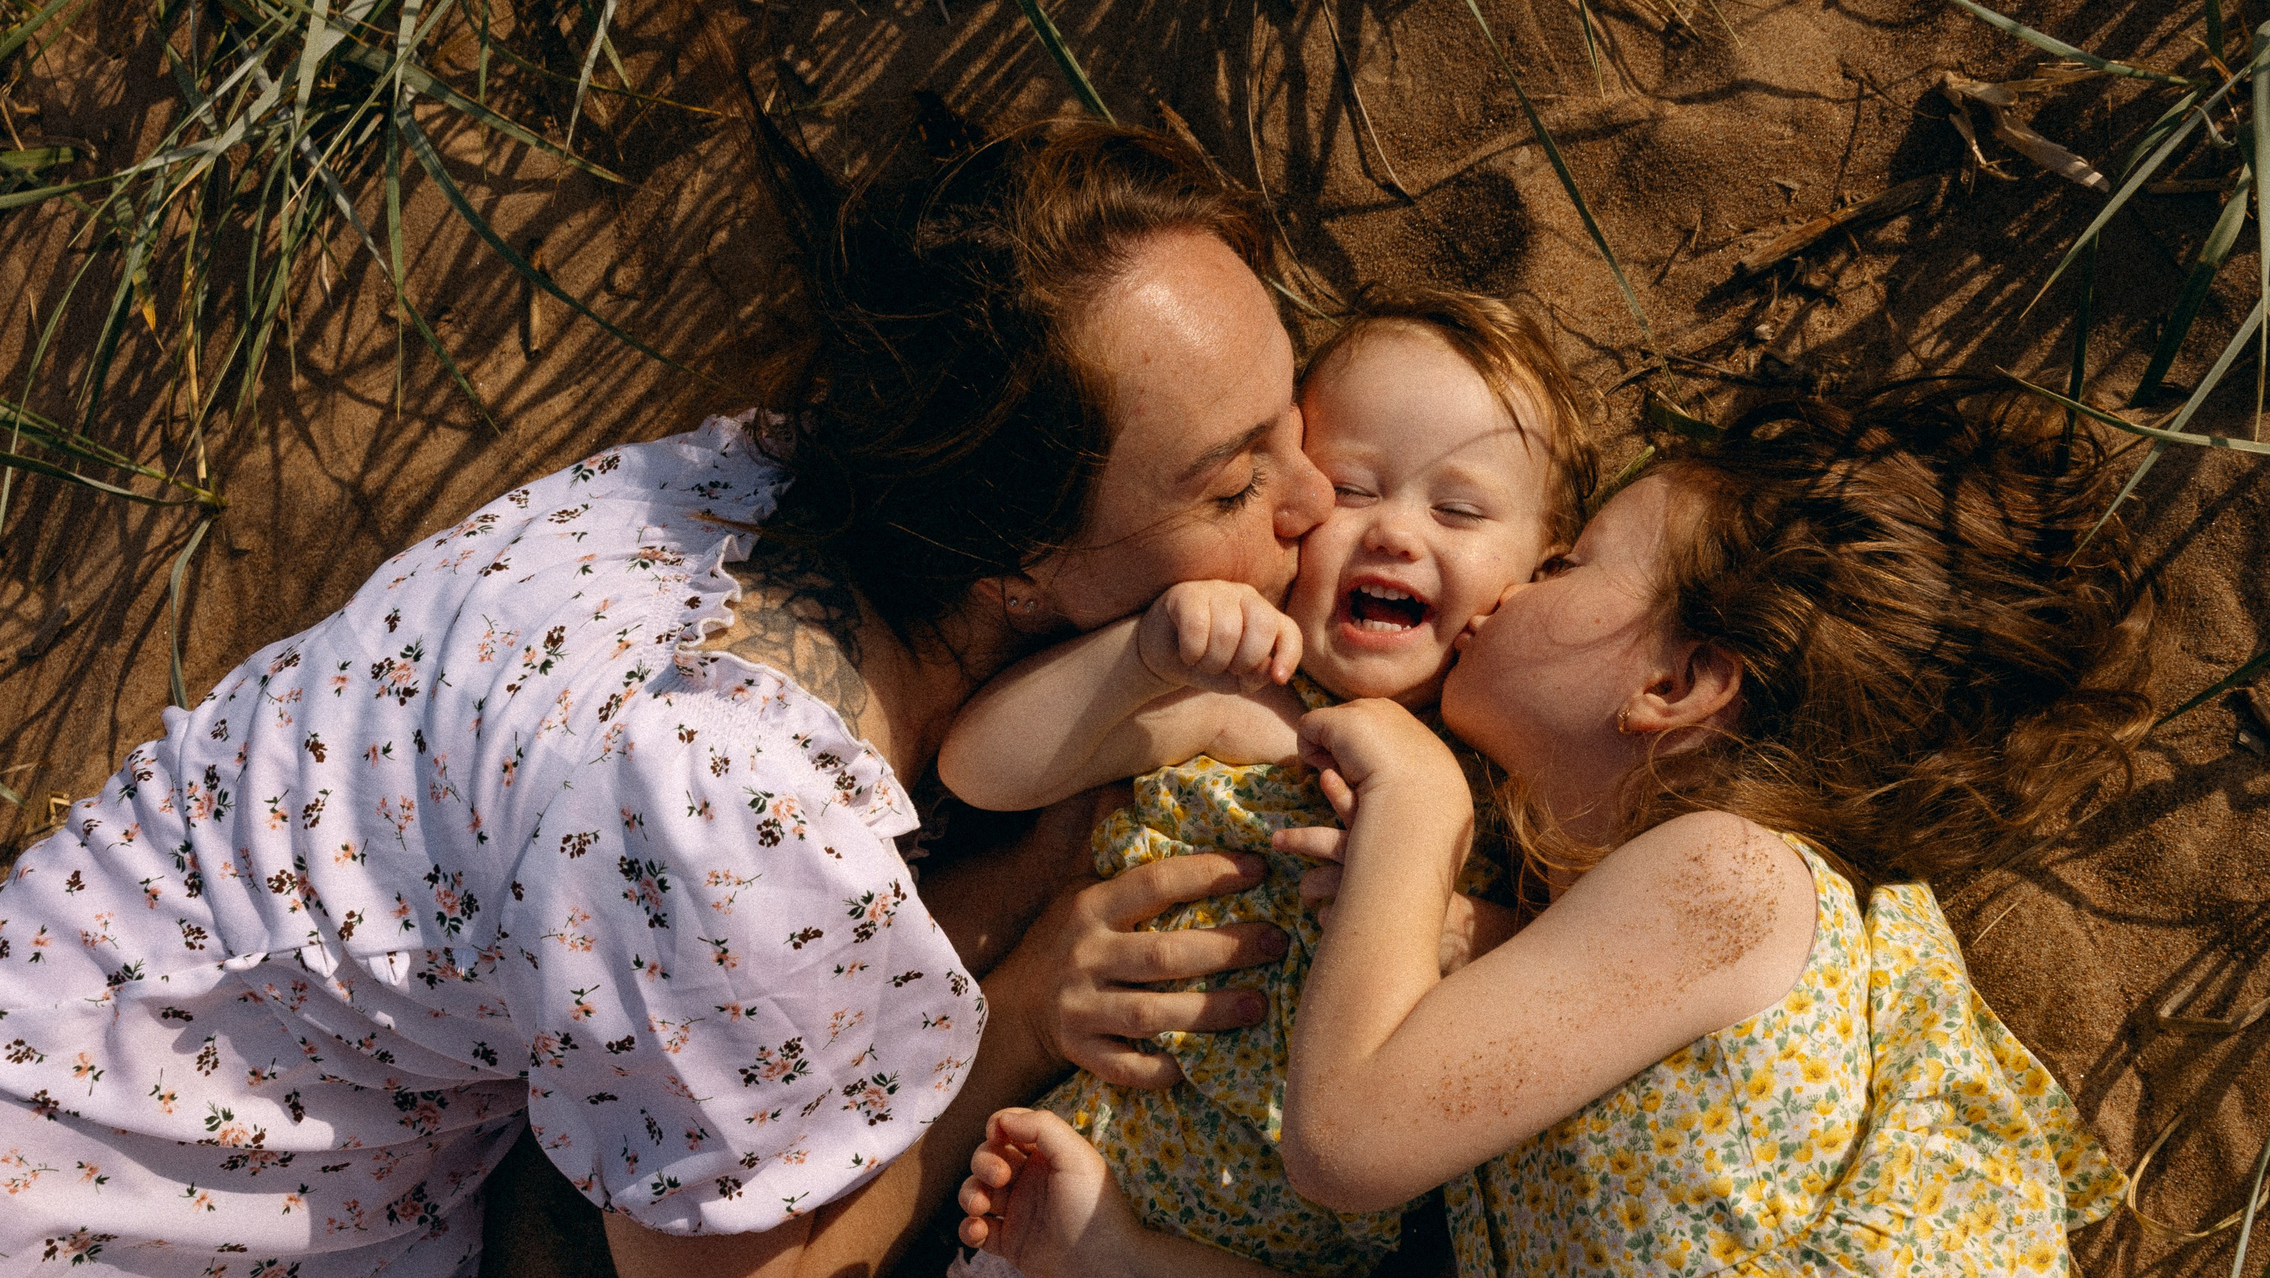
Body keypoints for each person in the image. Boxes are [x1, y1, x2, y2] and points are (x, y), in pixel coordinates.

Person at [0, 104, 1329, 1278]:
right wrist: (1031, 996)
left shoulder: (759, 472)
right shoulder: (734, 805)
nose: (1315, 498)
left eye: (1295, 415)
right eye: (1231, 485)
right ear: (1019, 553)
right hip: (136, 1203)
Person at [955, 381, 2151, 1277]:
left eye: (1571, 565)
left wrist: (1420, 810)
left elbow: (1342, 1144)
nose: (1516, 588)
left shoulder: (1732, 873)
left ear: (1675, 690)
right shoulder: (1636, 940)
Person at [938, 289, 1593, 1277]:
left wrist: (1454, 925)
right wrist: (1144, 658)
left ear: (1540, 578)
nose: (1395, 535)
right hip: (1063, 1215)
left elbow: (1577, 973)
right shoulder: (1245, 710)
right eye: (1354, 489)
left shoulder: (1524, 796)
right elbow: (981, 770)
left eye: (1456, 510)